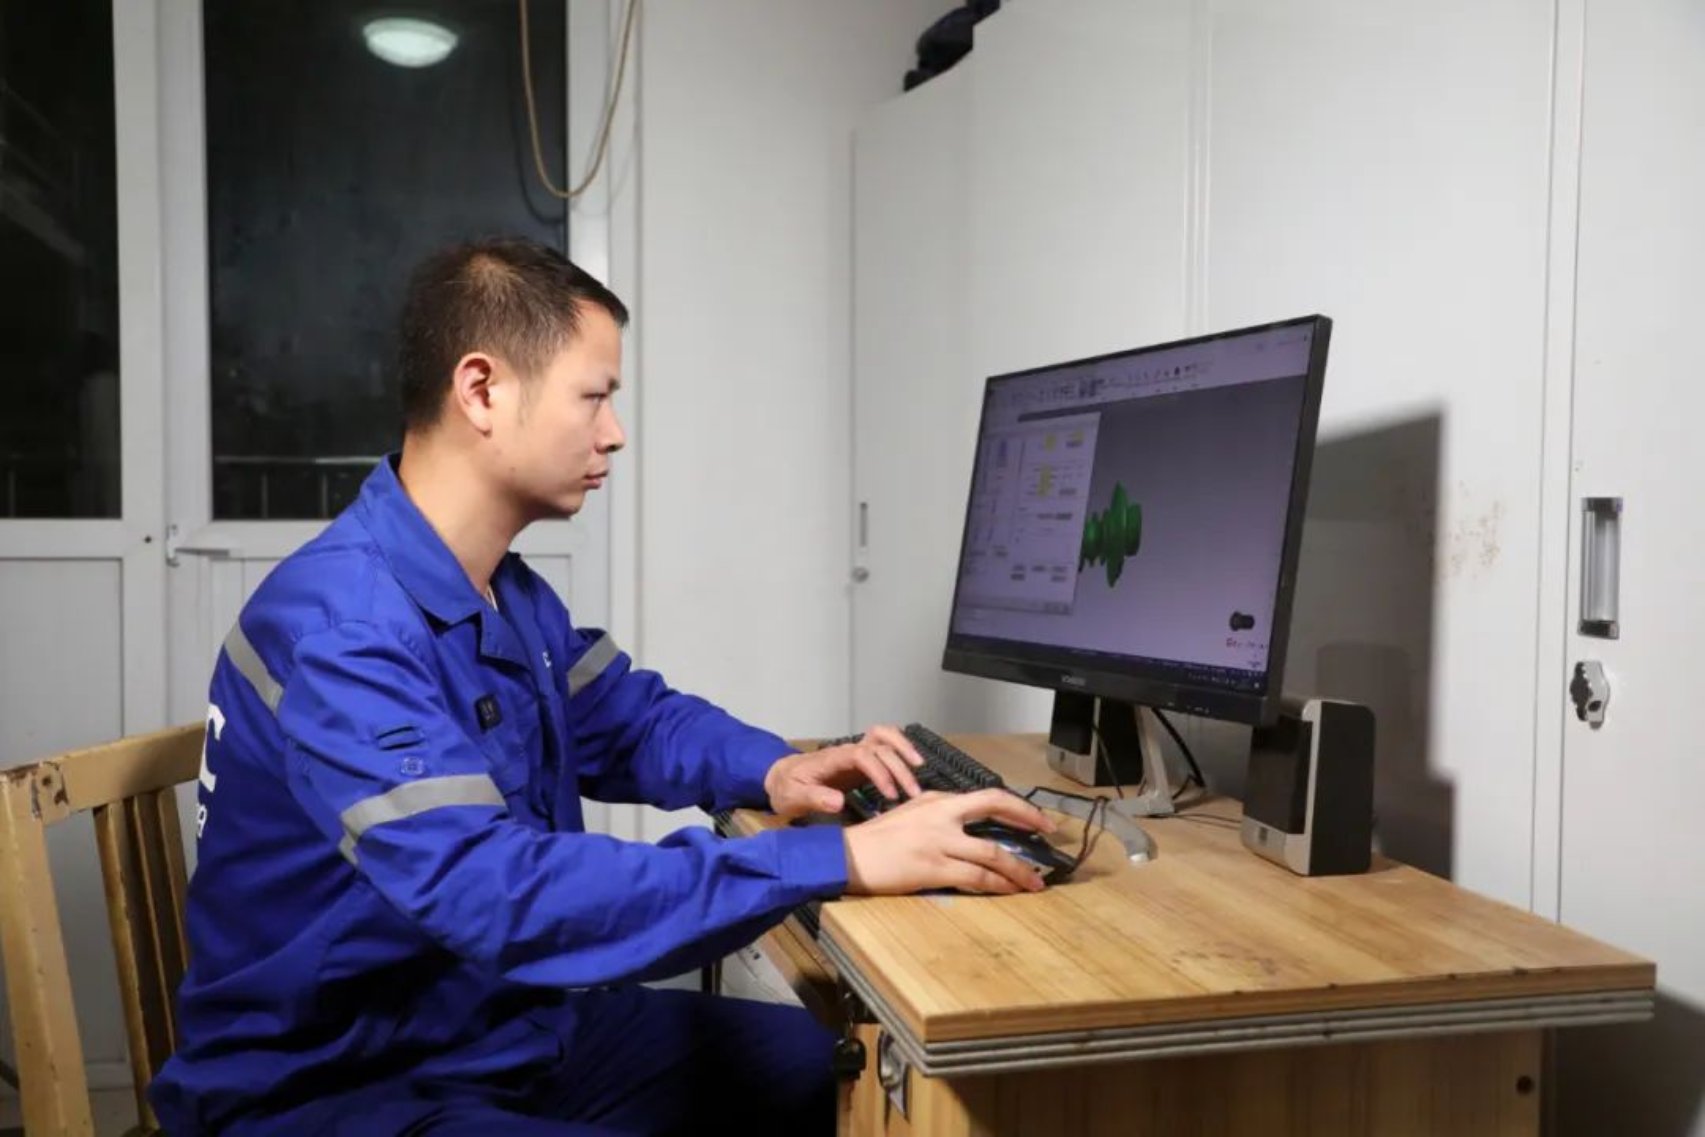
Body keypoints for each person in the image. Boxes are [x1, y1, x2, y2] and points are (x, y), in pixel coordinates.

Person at [149, 237, 1055, 1136]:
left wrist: (776, 769)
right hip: (341, 1090)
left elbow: (627, 720)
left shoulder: (498, 589)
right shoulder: (340, 629)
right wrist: (838, 858)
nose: (613, 431)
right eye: (594, 396)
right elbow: (496, 892)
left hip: (500, 1029)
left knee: (853, 1079)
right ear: (482, 390)